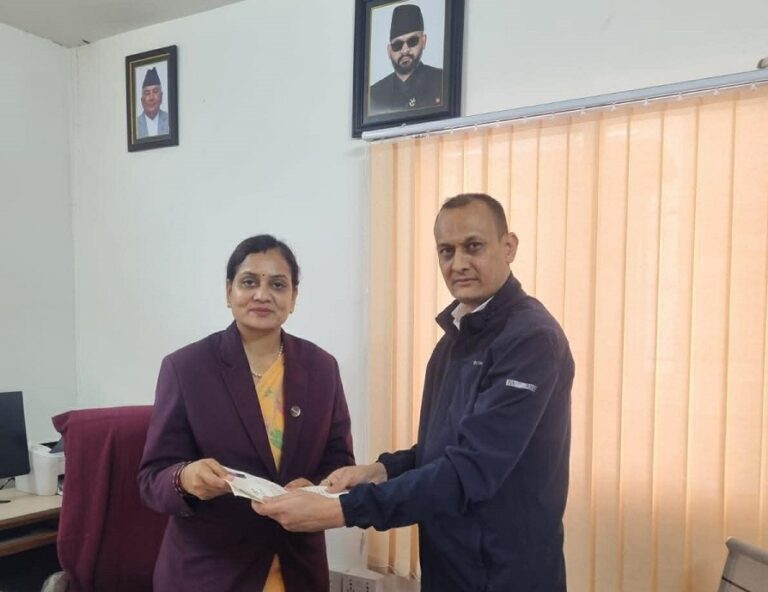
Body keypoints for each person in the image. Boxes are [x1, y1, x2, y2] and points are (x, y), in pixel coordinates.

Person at [254, 194, 575, 591]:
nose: (458, 263)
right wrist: (379, 471)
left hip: (505, 572)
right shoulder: (455, 338)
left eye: (473, 246)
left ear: (508, 247)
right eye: (446, 251)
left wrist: (342, 510)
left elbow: (471, 469)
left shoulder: (530, 339)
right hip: (448, 566)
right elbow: (443, 450)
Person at [138, 234, 355, 592]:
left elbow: (340, 461)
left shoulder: (321, 368)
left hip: (297, 566)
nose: (262, 295)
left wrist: (316, 487)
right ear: (229, 291)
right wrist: (186, 478)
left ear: (294, 297)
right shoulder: (187, 367)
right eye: (249, 282)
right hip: (212, 571)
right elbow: (152, 479)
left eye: (278, 285)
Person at [369, 4, 443, 115]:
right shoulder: (374, 95)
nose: (405, 50)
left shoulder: (442, 81)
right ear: (389, 51)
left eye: (412, 41)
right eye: (397, 45)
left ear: (423, 41)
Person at [136, 66, 169, 138]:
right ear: (142, 100)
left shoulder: (170, 120)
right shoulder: (134, 125)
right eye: (147, 93)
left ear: (161, 97)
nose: (151, 97)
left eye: (155, 91)